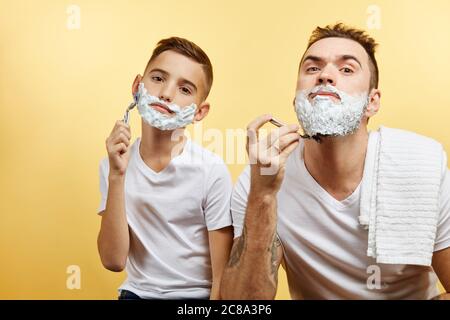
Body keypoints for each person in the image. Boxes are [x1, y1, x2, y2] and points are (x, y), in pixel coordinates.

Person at [221, 23, 450, 299]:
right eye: (313, 68)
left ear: (372, 102)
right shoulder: (260, 179)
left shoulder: (421, 167)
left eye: (346, 69)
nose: (325, 76)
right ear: (296, 100)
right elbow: (243, 304)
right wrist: (263, 194)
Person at [97, 37, 233, 299]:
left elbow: (221, 276)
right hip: (136, 294)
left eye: (185, 90)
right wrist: (117, 176)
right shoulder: (113, 165)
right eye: (158, 79)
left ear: (199, 112)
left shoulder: (211, 171)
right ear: (138, 86)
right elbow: (113, 261)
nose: (166, 93)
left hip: (195, 299)